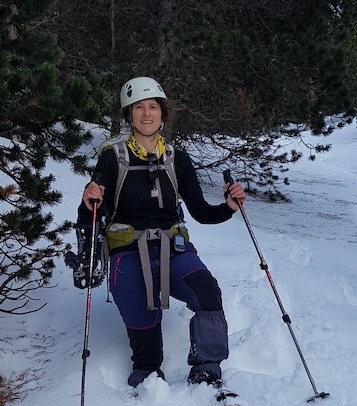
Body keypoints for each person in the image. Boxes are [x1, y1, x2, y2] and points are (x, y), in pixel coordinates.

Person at [77, 76, 245, 388]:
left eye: (152, 106)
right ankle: (147, 371)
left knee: (208, 292)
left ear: (162, 113)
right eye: (137, 107)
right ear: (128, 115)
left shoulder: (177, 159)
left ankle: (207, 369)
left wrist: (229, 207)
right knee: (143, 322)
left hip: (174, 248)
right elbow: (92, 210)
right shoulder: (112, 158)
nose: (146, 113)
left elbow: (201, 212)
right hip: (127, 251)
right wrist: (87, 219)